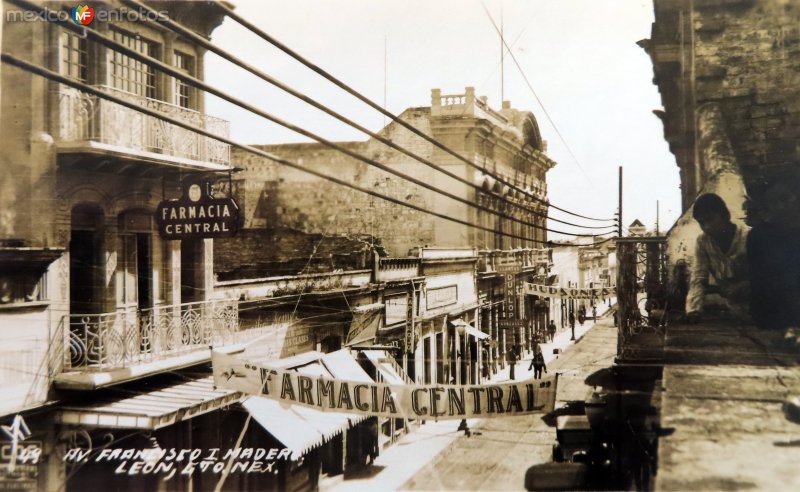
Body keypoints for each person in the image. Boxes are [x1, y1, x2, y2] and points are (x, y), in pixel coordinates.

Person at [747, 176, 800, 347]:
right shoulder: (758, 236)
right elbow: (760, 285)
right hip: (774, 315)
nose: (780, 207)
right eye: (773, 202)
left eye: (785, 199)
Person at [685, 193, 750, 321]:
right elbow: (698, 278)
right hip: (735, 312)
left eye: (710, 219)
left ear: (725, 216)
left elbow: (766, 276)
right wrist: (694, 310)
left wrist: (741, 286)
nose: (706, 227)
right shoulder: (703, 242)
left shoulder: (749, 237)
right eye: (701, 223)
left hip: (763, 309)